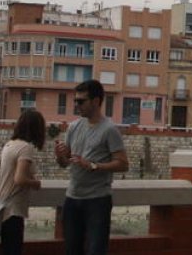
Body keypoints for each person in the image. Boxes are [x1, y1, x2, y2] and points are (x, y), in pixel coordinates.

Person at [54, 79, 129, 255]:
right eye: (75, 101)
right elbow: (65, 163)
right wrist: (60, 156)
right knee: (72, 249)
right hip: (72, 198)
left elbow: (123, 164)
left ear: (96, 101)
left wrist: (93, 165)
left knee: (96, 250)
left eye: (81, 101)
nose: (76, 105)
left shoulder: (109, 129)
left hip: (98, 200)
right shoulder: (73, 127)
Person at [0, 109, 45, 255]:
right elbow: (20, 179)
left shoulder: (9, 144)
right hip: (13, 210)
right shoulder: (25, 148)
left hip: (1, 206)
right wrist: (36, 184)